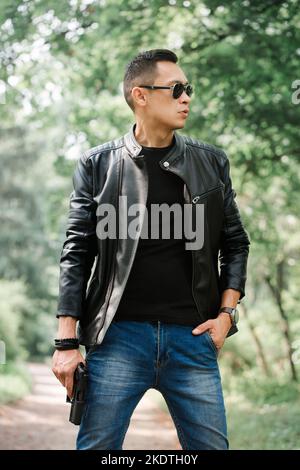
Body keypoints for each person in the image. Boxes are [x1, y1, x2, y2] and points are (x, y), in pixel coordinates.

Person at [52, 48, 250, 450]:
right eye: (176, 89)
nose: (186, 98)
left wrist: (226, 316)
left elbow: (235, 244)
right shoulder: (97, 165)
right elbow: (76, 254)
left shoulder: (211, 163)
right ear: (140, 95)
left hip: (192, 339)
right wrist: (66, 343)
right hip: (117, 338)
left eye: (188, 89)